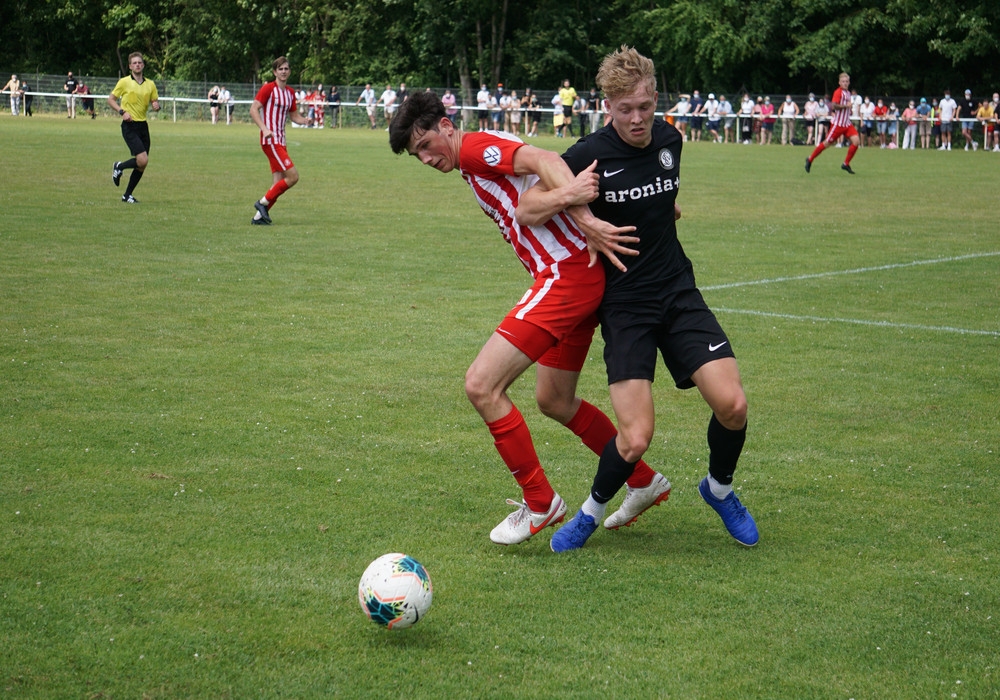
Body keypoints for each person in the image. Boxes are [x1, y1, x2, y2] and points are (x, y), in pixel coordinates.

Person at [388, 91, 669, 546]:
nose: (425, 158)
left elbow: (544, 159)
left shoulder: (474, 148)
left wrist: (584, 217)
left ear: (446, 126)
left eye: (425, 145)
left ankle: (540, 501)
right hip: (572, 276)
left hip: (566, 276)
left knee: (481, 385)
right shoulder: (469, 159)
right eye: (415, 154)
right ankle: (641, 479)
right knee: (555, 399)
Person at [518, 46, 759, 552]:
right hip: (626, 306)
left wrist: (665, 211)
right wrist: (571, 198)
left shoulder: (671, 140)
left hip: (678, 292)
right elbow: (527, 208)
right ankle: (589, 513)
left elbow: (660, 199)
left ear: (656, 100)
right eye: (625, 109)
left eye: (645, 107)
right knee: (634, 437)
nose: (636, 119)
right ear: (608, 106)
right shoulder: (587, 154)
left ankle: (719, 490)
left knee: (733, 405)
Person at [249, 56, 310, 225]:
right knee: (293, 176)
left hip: (281, 141)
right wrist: (264, 129)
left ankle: (258, 218)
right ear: (275, 72)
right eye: (280, 69)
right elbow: (253, 109)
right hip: (270, 141)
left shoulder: (290, 93)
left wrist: (305, 120)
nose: (283, 72)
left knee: (277, 183)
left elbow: (294, 116)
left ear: (289, 72)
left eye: (286, 69)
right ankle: (261, 203)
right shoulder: (268, 89)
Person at [108, 52, 160, 204]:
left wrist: (156, 106)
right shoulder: (124, 82)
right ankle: (119, 166)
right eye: (134, 63)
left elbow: (154, 102)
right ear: (130, 66)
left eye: (140, 62)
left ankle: (127, 195)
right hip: (129, 125)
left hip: (143, 126)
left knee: (142, 164)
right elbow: (111, 100)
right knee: (142, 160)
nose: (137, 65)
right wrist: (122, 112)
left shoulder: (150, 84)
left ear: (143, 65)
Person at [805, 73, 860, 174]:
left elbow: (846, 106)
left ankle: (846, 164)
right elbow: (834, 106)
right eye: (843, 81)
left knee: (856, 141)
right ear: (839, 82)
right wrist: (846, 106)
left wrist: (849, 109)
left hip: (847, 123)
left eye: (846, 81)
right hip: (838, 124)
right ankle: (810, 159)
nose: (845, 83)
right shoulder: (838, 92)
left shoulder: (848, 93)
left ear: (849, 82)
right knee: (826, 143)